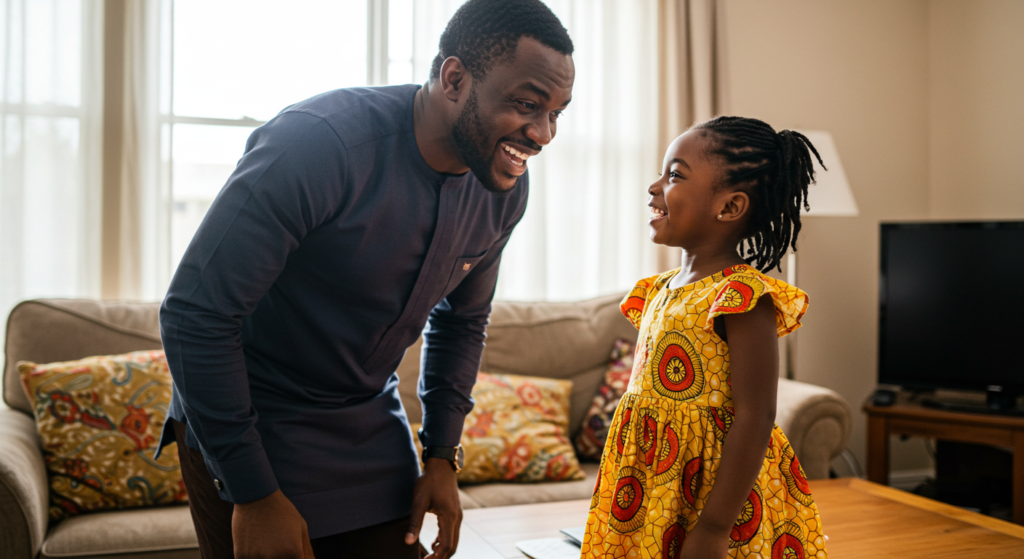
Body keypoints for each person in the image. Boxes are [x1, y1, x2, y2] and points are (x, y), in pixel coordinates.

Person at [154, 1, 574, 558]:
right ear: (454, 78)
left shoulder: (503, 188)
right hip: (250, 415)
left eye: (557, 113)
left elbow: (463, 322)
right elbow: (195, 314)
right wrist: (253, 494)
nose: (543, 134)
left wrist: (443, 455)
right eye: (527, 105)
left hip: (366, 420)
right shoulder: (317, 144)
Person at [581, 116, 829, 559]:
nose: (655, 187)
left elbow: (757, 416)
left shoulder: (743, 296)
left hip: (715, 496)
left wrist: (714, 527)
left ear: (730, 207)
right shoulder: (657, 290)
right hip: (649, 486)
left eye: (674, 175)